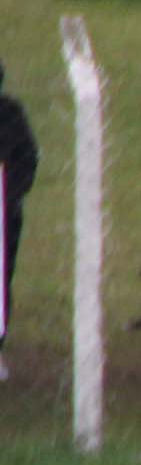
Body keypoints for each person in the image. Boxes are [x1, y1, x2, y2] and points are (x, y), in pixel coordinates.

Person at [0, 60, 37, 365]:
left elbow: (28, 156)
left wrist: (12, 194)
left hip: (4, 212)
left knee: (1, 278)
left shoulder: (10, 113)